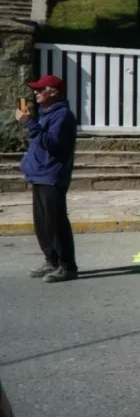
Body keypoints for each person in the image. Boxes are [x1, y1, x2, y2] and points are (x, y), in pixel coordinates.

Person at [16, 75, 78, 283]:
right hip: (40, 173)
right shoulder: (45, 113)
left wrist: (30, 123)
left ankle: (67, 266)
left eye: (41, 89)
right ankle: (52, 261)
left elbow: (52, 143)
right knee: (42, 223)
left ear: (54, 92)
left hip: (52, 175)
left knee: (56, 222)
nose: (36, 93)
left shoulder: (63, 116)